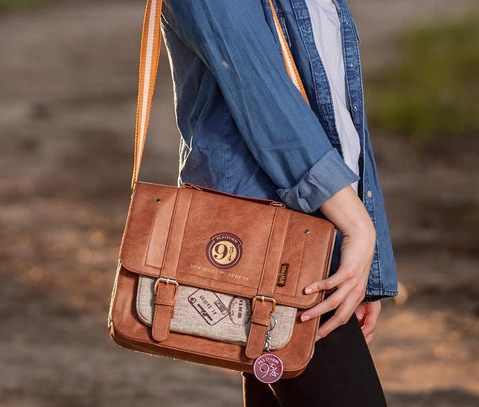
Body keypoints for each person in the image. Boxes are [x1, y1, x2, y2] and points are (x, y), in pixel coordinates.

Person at [160, 0, 398, 405]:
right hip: (266, 251)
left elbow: (335, 112)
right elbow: (262, 95)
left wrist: (362, 259)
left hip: (317, 238)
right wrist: (358, 227)